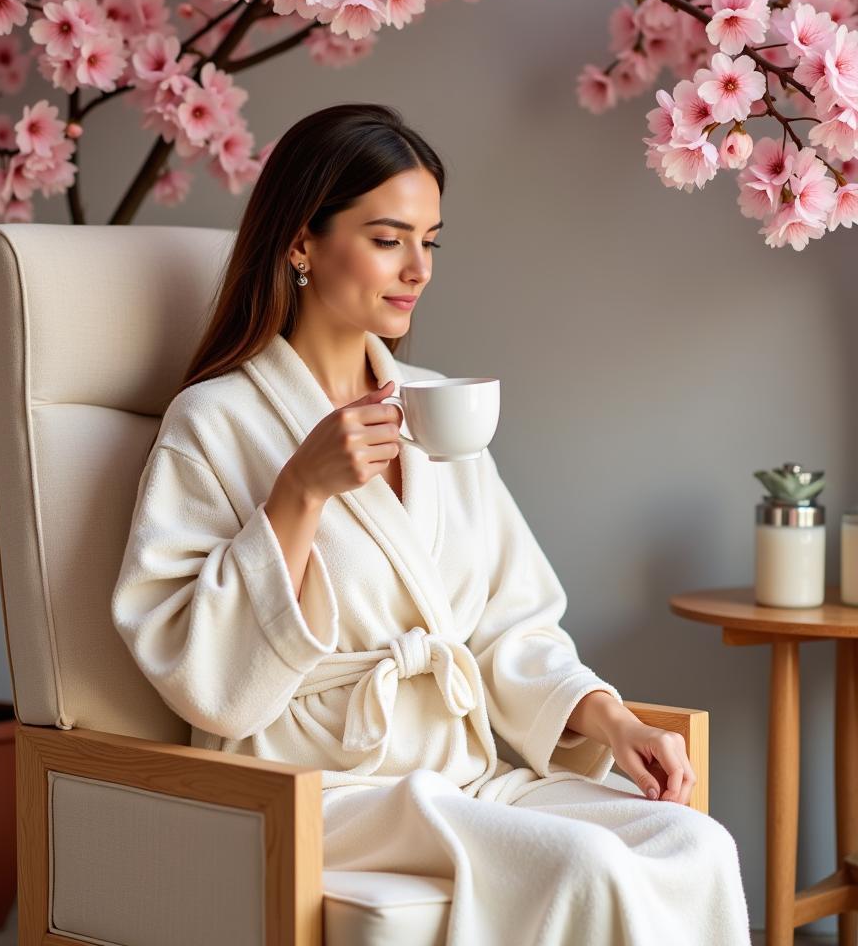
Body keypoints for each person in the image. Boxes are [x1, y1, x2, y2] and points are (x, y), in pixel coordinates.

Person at [110, 102, 752, 945]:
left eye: (430, 240)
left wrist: (610, 718)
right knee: (578, 863)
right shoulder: (214, 421)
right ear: (302, 242)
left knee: (695, 841)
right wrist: (300, 492)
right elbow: (201, 676)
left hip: (462, 772)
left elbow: (507, 623)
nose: (418, 268)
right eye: (387, 239)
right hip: (320, 786)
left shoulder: (437, 406)